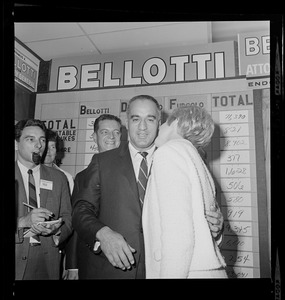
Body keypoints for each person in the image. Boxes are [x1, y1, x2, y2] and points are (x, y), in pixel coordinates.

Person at [72, 95, 224, 279]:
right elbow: (80, 210)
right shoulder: (102, 162)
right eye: (136, 119)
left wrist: (215, 226)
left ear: (159, 123)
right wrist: (102, 234)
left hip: (163, 270)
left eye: (150, 119)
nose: (142, 127)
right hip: (111, 270)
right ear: (127, 123)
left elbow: (197, 218)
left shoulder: (177, 157)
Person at [142, 105, 227, 278]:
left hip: (186, 271)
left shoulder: (169, 152)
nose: (159, 128)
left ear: (177, 122)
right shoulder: (195, 158)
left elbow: (178, 233)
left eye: (164, 122)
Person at [65, 113, 122, 279]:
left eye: (116, 132)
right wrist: (73, 265)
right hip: (94, 259)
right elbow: (78, 219)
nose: (111, 137)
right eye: (105, 132)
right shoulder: (83, 176)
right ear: (94, 136)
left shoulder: (134, 171)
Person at [15, 119, 73, 280]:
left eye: (42, 140)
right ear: (16, 143)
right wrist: (22, 222)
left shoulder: (59, 177)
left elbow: (68, 217)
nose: (39, 145)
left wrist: (57, 232)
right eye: (30, 139)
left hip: (48, 262)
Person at [42, 128, 75, 279]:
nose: (49, 151)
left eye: (53, 147)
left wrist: (70, 263)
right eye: (46, 146)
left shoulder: (66, 178)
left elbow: (70, 218)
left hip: (56, 247)